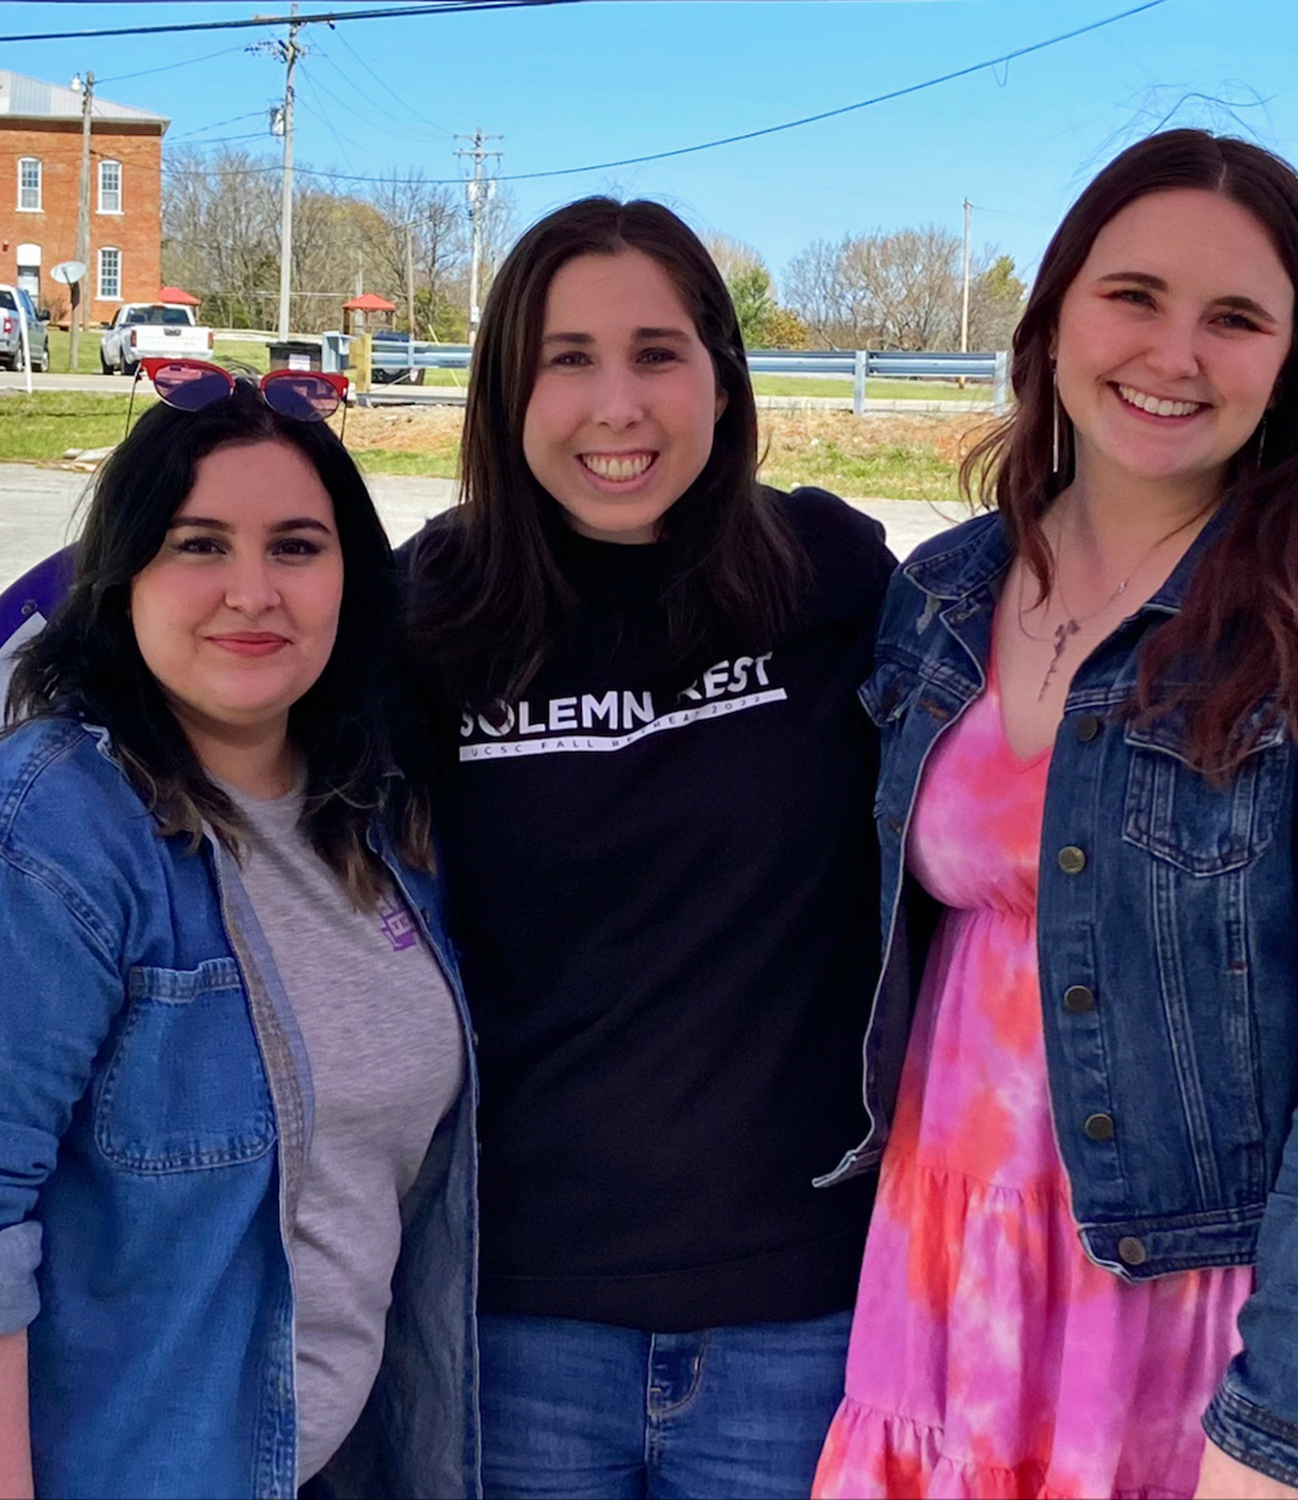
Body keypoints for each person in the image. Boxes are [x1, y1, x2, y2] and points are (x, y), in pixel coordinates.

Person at [815, 129, 1298, 1500]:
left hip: (1227, 1310)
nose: (1175, 353)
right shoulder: (940, 591)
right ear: (1054, 320)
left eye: (1235, 318)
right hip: (956, 1271)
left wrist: (1289, 1422)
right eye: (1135, 297)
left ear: (1292, 364)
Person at [405, 197, 893, 1499]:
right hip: (516, 1327)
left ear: (723, 385)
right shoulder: (424, 617)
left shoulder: (830, 576)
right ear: (506, 392)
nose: (616, 405)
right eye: (567, 358)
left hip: (799, 1320)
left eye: (658, 354)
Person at [0, 369, 479, 1500]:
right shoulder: (41, 835)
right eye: (199, 545)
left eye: (297, 546)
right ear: (125, 571)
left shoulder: (376, 816)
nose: (253, 591)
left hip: (336, 1461)